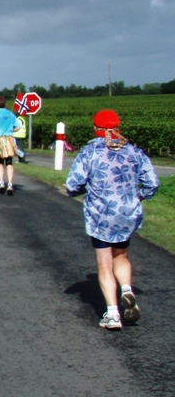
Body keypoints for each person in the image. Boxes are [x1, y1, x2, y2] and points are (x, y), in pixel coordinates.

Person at [66, 110, 159, 330]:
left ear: (95, 128)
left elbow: (72, 184)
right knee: (121, 254)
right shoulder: (134, 151)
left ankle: (113, 313)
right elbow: (152, 183)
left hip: (101, 214)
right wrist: (138, 196)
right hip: (127, 212)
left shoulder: (90, 152)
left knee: (104, 263)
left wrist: (81, 191)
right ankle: (126, 289)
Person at [0, 95, 18, 195]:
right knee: (9, 162)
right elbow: (18, 127)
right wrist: (11, 130)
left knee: (0, 161)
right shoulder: (10, 114)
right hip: (9, 138)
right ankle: (10, 184)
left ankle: (1, 182)